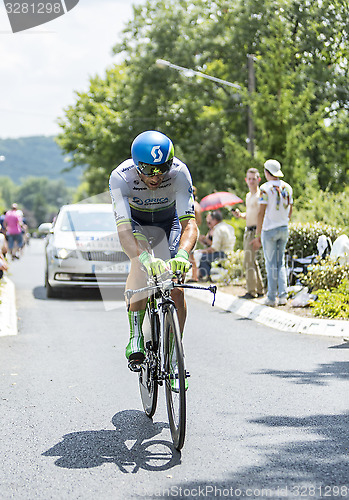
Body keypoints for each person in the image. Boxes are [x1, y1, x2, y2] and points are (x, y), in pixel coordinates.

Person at [109, 130, 198, 380]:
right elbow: (125, 231)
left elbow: (189, 224)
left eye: (162, 168)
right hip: (136, 224)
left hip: (169, 222)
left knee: (177, 288)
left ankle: (173, 357)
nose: (156, 177)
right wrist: (144, 258)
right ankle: (135, 335)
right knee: (140, 266)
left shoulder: (180, 172)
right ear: (137, 166)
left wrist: (182, 254)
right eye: (148, 170)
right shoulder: (120, 177)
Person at [251, 159, 293, 307]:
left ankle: (271, 298)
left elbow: (261, 213)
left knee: (270, 264)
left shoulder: (264, 188)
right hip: (283, 228)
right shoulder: (287, 187)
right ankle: (283, 296)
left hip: (269, 230)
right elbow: (290, 210)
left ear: (266, 172)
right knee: (280, 263)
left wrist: (258, 234)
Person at [232, 168, 264, 299]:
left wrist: (258, 235)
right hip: (248, 230)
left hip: (255, 231)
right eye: (249, 179)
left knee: (249, 261)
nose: (251, 181)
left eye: (254, 178)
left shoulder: (260, 195)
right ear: (246, 180)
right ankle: (260, 289)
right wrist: (240, 215)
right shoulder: (248, 195)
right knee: (251, 261)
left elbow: (262, 215)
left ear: (258, 179)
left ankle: (252, 291)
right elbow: (251, 214)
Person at [198, 210, 235, 281]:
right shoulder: (229, 227)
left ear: (214, 220)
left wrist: (201, 251)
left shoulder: (217, 229)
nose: (208, 224)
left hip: (222, 254)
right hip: (230, 253)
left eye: (209, 222)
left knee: (203, 258)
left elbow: (214, 248)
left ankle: (205, 277)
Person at [187, 186, 202, 282]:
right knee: (190, 255)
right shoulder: (197, 204)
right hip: (193, 229)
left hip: (192, 230)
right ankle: (193, 275)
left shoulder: (193, 204)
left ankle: (194, 276)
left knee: (190, 255)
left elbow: (198, 220)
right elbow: (200, 221)